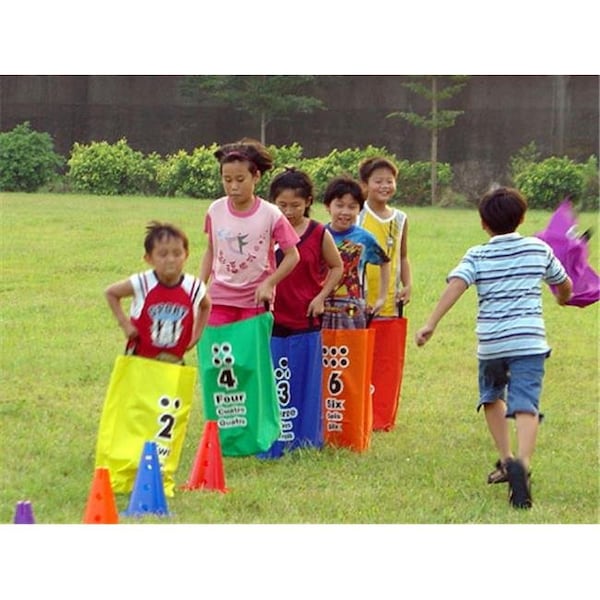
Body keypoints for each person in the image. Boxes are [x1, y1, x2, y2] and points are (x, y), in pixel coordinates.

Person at [415, 186, 572, 509]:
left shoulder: (477, 254)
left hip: (492, 343)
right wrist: (564, 297)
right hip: (529, 341)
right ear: (522, 218)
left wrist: (431, 322)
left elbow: (457, 285)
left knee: (491, 396)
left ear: (483, 224)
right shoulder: (538, 248)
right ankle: (522, 464)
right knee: (526, 403)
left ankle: (506, 458)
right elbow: (564, 283)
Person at [199, 138, 300, 326]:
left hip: (255, 300)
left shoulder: (271, 214)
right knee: (218, 344)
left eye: (240, 179)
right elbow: (211, 250)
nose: (233, 186)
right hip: (219, 297)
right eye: (227, 180)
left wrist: (269, 283)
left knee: (250, 346)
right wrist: (199, 285)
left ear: (256, 177)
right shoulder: (215, 210)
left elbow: (292, 256)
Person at [105, 221, 211, 363]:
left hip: (174, 362)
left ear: (186, 255)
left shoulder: (193, 287)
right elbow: (111, 293)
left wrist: (196, 336)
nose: (170, 260)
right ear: (149, 258)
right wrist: (125, 325)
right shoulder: (142, 283)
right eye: (162, 254)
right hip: (140, 359)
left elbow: (206, 306)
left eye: (177, 253)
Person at [268, 167, 343, 335]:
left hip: (306, 317)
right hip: (270, 317)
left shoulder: (318, 233)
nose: (288, 212)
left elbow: (337, 266)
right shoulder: (266, 231)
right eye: (282, 205)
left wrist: (321, 297)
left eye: (295, 205)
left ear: (308, 202)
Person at [322, 175, 391, 329]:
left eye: (352, 207)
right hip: (321, 303)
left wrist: (382, 297)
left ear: (359, 209)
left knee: (352, 343)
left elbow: (385, 262)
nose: (345, 212)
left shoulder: (364, 238)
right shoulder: (319, 234)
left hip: (352, 306)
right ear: (328, 206)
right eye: (339, 205)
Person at [358, 156, 411, 314]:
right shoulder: (357, 216)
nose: (384, 186)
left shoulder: (400, 218)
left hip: (390, 302)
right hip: (360, 301)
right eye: (378, 181)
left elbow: (402, 256)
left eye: (389, 181)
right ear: (365, 185)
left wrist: (408, 284)